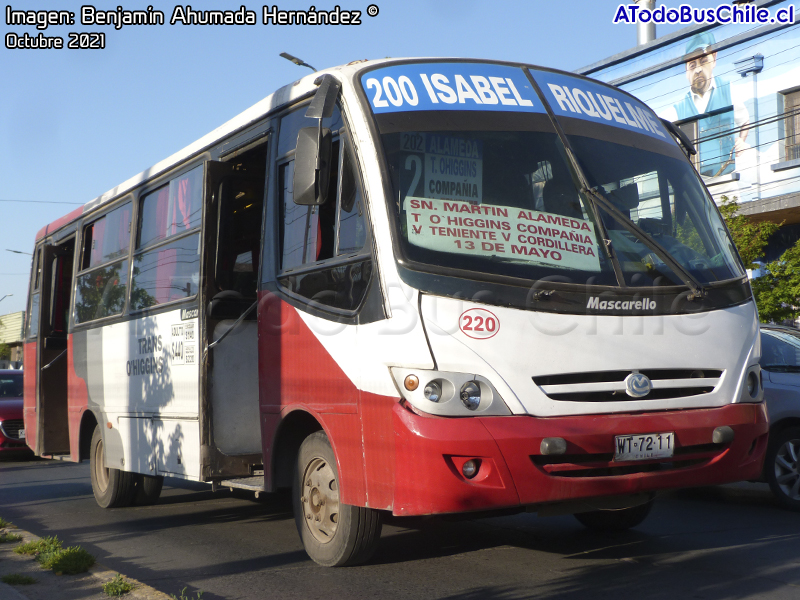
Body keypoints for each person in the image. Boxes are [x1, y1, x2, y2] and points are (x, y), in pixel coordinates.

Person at [662, 32, 750, 178]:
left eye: (703, 61)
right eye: (692, 65)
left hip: (728, 178)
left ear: (714, 59)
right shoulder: (677, 111)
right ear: (686, 70)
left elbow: (745, 122)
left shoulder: (728, 90)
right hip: (698, 182)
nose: (697, 70)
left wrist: (741, 141)